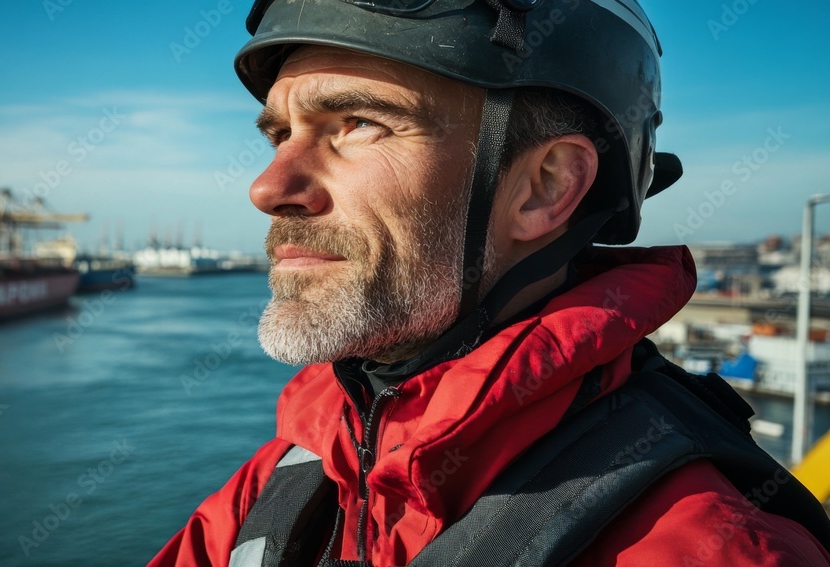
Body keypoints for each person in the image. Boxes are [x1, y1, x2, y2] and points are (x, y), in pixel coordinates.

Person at [149, 1, 830, 565]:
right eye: (280, 134)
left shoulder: (708, 548)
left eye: (356, 124)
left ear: (546, 187)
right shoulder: (293, 475)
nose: (269, 187)